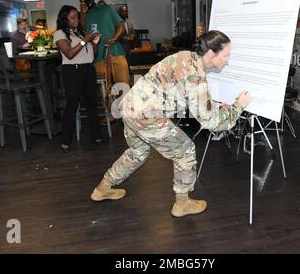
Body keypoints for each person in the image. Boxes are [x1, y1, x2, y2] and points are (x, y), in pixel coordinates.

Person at [90, 30, 252, 218]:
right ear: (210, 54)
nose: (227, 60)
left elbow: (185, 94)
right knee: (186, 151)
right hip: (146, 116)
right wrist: (238, 106)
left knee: (137, 152)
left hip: (130, 107)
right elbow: (211, 122)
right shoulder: (196, 75)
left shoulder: (185, 56)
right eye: (225, 55)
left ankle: (103, 188)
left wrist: (212, 105)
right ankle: (182, 203)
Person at [54, 5, 103, 153]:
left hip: (88, 69)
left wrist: (94, 43)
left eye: (77, 16)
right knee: (72, 106)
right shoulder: (59, 34)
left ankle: (96, 135)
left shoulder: (81, 33)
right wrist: (84, 41)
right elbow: (69, 54)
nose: (76, 19)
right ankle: (65, 141)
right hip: (73, 71)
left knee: (92, 105)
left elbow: (92, 54)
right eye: (72, 17)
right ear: (65, 19)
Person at [79, 0, 130, 92]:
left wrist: (114, 38)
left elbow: (121, 26)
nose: (83, 1)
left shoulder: (107, 9)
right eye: (81, 0)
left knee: (123, 87)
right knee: (103, 91)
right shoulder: (85, 15)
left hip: (115, 53)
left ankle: (125, 106)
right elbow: (83, 28)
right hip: (98, 57)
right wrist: (83, 13)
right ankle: (108, 107)